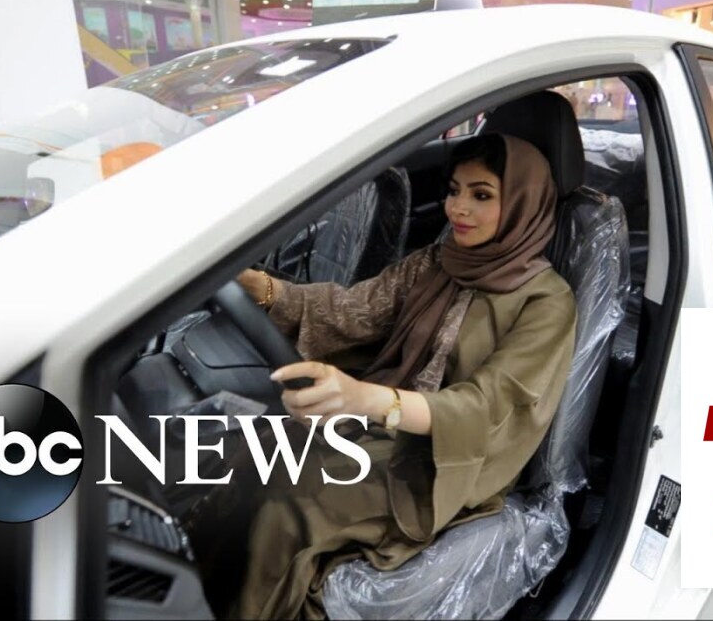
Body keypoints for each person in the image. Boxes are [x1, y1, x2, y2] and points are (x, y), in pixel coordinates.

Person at [189, 133, 577, 619]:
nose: (458, 208)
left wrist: (369, 399)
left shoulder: (546, 302)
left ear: (522, 204)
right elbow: (352, 311)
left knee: (290, 507)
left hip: (449, 464)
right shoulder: (437, 262)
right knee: (249, 459)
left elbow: (487, 409)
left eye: (482, 195)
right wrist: (261, 288)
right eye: (454, 190)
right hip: (378, 429)